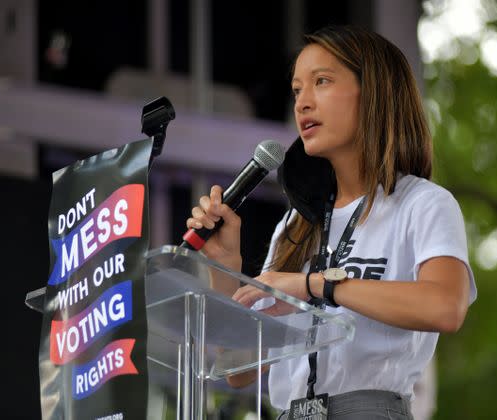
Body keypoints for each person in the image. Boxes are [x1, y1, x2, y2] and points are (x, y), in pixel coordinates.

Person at [186, 25, 477, 419]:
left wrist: (315, 285)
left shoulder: (423, 204)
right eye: (296, 91)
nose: (303, 103)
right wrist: (224, 268)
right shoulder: (296, 225)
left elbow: (445, 306)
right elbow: (241, 370)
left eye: (321, 82)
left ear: (375, 93)